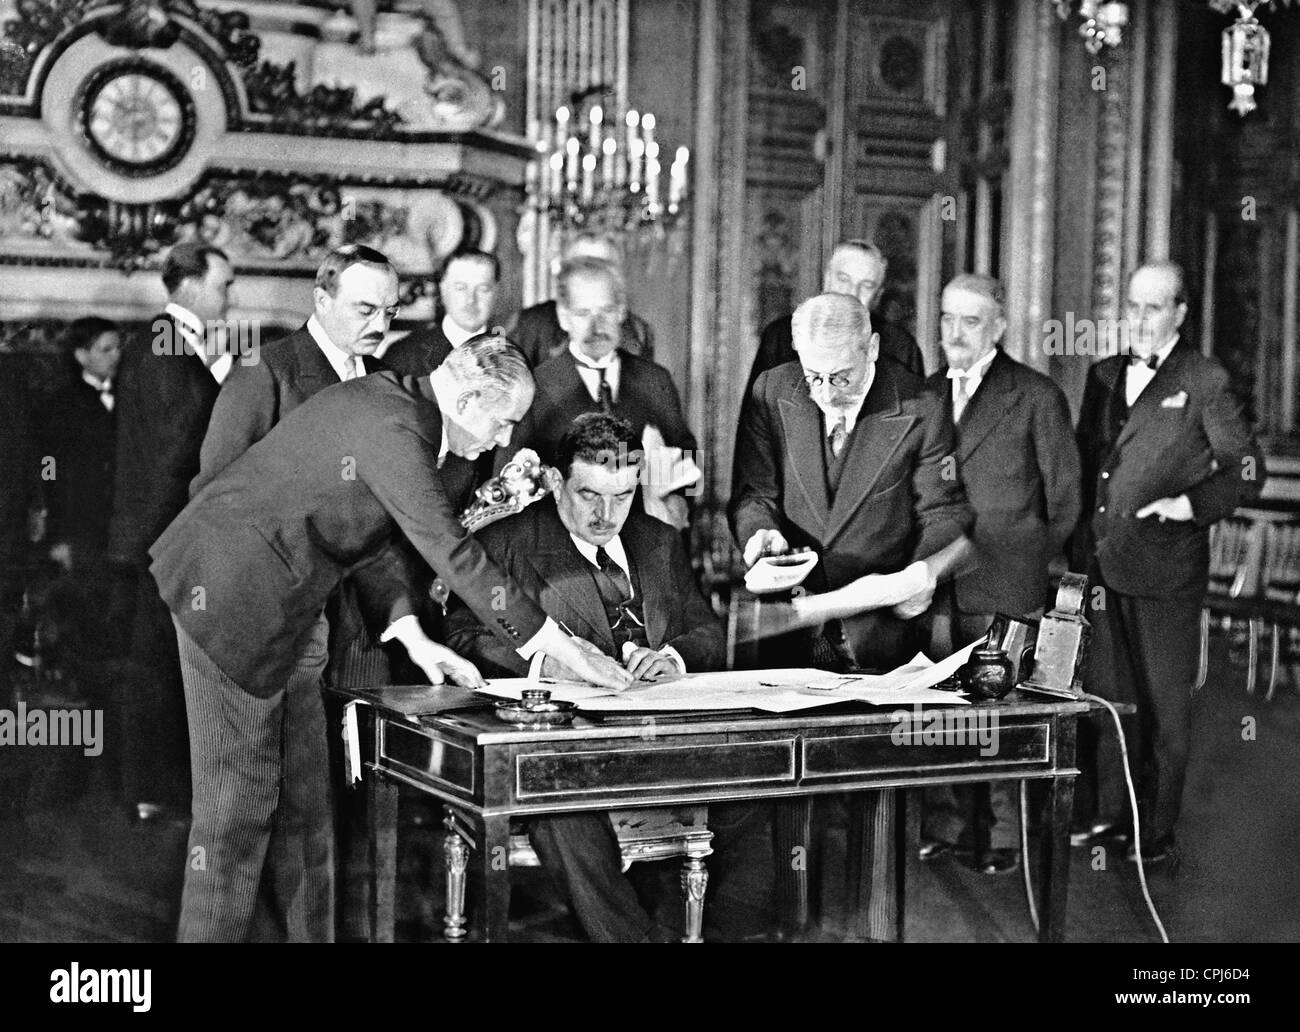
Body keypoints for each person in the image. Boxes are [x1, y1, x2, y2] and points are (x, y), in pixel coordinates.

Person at [148, 334, 631, 942]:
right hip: (227, 599)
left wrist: (413, 637)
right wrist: (557, 644)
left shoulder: (405, 413)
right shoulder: (397, 427)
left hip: (293, 612)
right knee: (237, 815)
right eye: (504, 422)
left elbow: (374, 541)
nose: (505, 441)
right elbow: (452, 551)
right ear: (469, 397)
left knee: (305, 810)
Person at [445, 412, 752, 941]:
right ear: (559, 481)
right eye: (590, 495)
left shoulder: (656, 540)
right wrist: (548, 662)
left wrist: (674, 658)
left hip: (658, 738)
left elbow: (706, 626)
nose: (607, 515)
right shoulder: (509, 543)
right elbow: (462, 638)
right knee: (558, 807)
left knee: (760, 782)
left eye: (623, 496)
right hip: (563, 747)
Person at [730, 291, 972, 941]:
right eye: (814, 377)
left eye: (841, 377)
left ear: (871, 349)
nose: (827, 392)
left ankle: (876, 930)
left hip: (881, 626)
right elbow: (753, 493)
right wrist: (761, 539)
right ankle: (787, 924)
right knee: (783, 785)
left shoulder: (920, 403)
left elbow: (946, 512)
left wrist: (924, 572)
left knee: (879, 797)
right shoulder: (774, 390)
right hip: (793, 616)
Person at [1073, 261, 1264, 865]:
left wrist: (1190, 503)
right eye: (1133, 305)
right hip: (1102, 568)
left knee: (1163, 711)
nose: (1140, 318)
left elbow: (1247, 468)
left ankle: (1153, 834)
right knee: (1108, 700)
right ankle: (1109, 817)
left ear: (1180, 313)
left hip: (1166, 573)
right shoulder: (1103, 375)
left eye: (1154, 307)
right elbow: (1087, 468)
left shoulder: (1205, 379)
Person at [919, 274, 1081, 875]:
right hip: (937, 582)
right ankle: (947, 824)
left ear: (998, 326)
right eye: (947, 319)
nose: (955, 333)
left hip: (1005, 577)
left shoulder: (1035, 394)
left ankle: (1001, 836)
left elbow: (1064, 498)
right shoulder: (924, 393)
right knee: (939, 706)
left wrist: (1029, 561)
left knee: (1000, 709)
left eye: (970, 320)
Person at [108, 242, 235, 823]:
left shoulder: (160, 343)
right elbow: (181, 443)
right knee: (159, 667)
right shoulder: (164, 344)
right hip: (164, 535)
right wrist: (229, 392)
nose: (227, 301)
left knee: (158, 664)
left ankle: (154, 789)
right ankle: (155, 791)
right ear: (189, 285)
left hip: (154, 533)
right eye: (222, 287)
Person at [742, 240, 925, 406]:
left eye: (867, 285)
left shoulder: (902, 346)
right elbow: (754, 421)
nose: (852, 292)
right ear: (827, 278)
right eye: (844, 279)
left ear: (878, 295)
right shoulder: (780, 336)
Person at [511, 230, 655, 366]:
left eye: (601, 269)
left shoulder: (638, 331)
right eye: (580, 269)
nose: (591, 279)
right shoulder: (530, 325)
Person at [381, 246, 499, 379]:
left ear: (496, 291)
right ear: (443, 289)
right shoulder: (402, 356)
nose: (471, 299)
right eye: (460, 288)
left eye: (483, 289)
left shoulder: (512, 354)